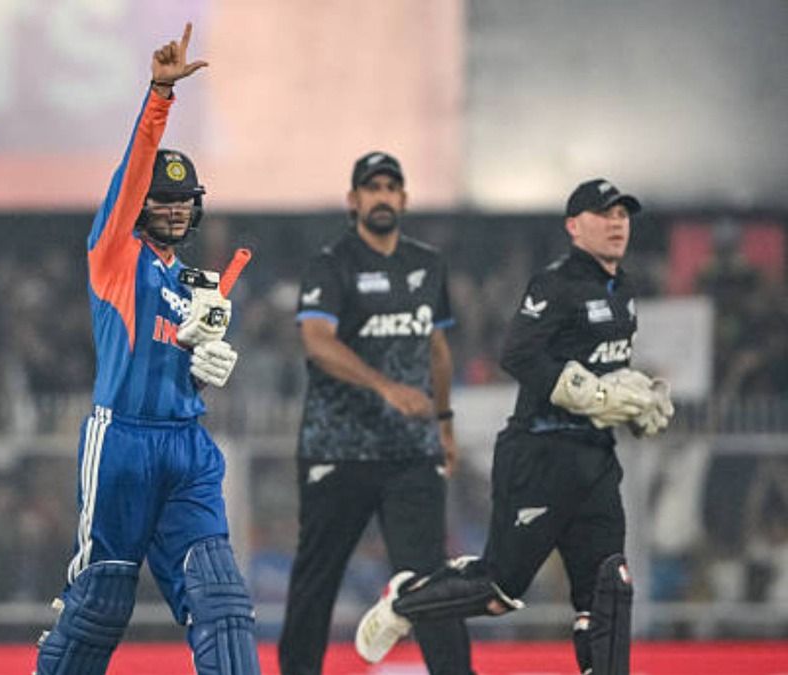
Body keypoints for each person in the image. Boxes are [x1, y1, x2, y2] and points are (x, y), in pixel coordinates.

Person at [355, 178, 676, 675]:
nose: (617, 224)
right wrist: (591, 393)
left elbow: (609, 371)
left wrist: (635, 401)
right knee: (499, 591)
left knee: (608, 589)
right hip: (540, 453)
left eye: (622, 215)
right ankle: (407, 599)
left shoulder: (625, 290)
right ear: (574, 226)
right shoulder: (555, 283)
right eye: (603, 214)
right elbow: (518, 354)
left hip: (595, 458)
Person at [33, 24, 260, 675]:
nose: (175, 209)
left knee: (221, 599)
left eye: (186, 200)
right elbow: (132, 175)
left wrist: (207, 369)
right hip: (123, 441)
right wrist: (160, 94)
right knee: (101, 600)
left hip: (187, 445)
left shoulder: (194, 283)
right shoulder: (113, 255)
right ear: (140, 205)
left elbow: (183, 362)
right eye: (162, 198)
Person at [278, 152, 473, 675]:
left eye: (392, 187)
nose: (382, 196)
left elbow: (437, 349)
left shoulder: (428, 265)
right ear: (353, 200)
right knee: (317, 579)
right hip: (337, 450)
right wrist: (385, 387)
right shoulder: (332, 263)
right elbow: (317, 342)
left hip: (412, 450)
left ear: (404, 199)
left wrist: (445, 424)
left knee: (432, 581)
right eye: (372, 187)